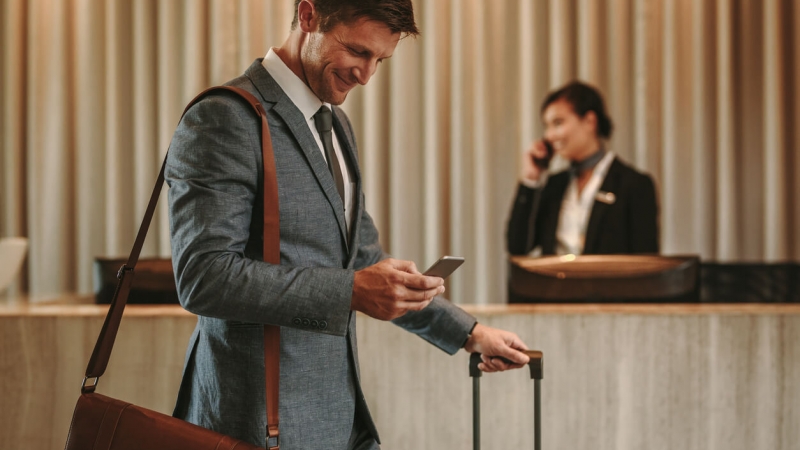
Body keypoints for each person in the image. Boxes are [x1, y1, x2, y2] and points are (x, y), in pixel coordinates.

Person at [165, 1, 531, 448]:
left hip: (341, 419)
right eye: (358, 51)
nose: (366, 75)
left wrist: (470, 334)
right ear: (308, 17)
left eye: (380, 60)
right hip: (256, 424)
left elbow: (360, 256)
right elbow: (203, 277)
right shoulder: (225, 117)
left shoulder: (336, 125)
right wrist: (352, 290)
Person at [506, 81, 659, 257]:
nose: (549, 135)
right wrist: (531, 179)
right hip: (555, 284)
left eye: (558, 123)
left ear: (589, 121)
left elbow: (646, 265)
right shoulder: (556, 185)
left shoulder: (634, 184)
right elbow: (517, 247)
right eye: (546, 126)